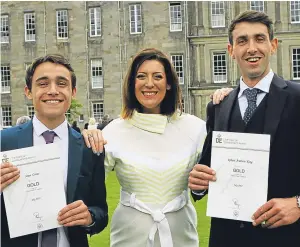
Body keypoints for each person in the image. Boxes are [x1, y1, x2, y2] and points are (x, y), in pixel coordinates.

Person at [82, 48, 232, 247]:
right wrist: (82, 141)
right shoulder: (114, 131)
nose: (149, 84)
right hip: (129, 236)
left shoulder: (194, 128)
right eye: (141, 76)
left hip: (181, 235)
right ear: (132, 84)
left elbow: (228, 170)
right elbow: (84, 183)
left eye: (158, 76)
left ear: (169, 83)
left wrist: (234, 101)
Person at [188, 10, 300, 247]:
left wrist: (298, 204)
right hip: (226, 238)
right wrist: (198, 184)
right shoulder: (218, 106)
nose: (251, 48)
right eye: (242, 41)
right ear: (231, 50)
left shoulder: (297, 98)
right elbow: (207, 167)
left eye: (259, 39)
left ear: (273, 45)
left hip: (285, 237)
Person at [0, 54, 108, 247]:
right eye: (42, 83)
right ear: (28, 91)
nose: (52, 91)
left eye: (61, 83)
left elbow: (101, 211)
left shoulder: (88, 147)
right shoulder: (4, 142)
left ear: (72, 92)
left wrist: (89, 217)